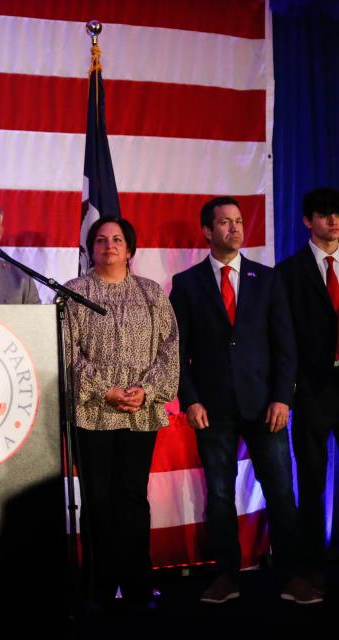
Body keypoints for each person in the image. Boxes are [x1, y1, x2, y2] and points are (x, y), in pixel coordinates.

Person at [170, 196, 317, 604]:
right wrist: (191, 400)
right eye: (224, 223)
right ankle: (226, 576)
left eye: (238, 221)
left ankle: (293, 576)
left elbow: (285, 346)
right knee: (219, 495)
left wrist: (282, 399)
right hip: (212, 409)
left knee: (281, 492)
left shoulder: (267, 279)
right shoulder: (187, 283)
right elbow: (177, 351)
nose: (234, 228)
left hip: (264, 406)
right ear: (207, 231)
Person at [63, 215, 178, 611]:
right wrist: (104, 390)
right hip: (93, 413)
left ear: (130, 249)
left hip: (139, 413)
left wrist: (144, 391)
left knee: (131, 498)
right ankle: (99, 583)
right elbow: (66, 352)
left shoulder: (151, 294)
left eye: (117, 240)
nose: (109, 245)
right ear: (89, 248)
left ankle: (137, 582)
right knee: (97, 498)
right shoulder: (74, 293)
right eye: (100, 240)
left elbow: (170, 349)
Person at [276, 187, 339, 595]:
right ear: (307, 220)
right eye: (324, 214)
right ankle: (312, 568)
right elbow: (284, 338)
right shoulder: (289, 272)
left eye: (338, 214)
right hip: (314, 390)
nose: (334, 220)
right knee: (313, 481)